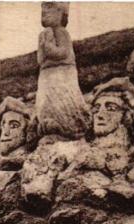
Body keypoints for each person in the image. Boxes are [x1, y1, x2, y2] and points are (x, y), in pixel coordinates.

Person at [35, 2, 90, 140]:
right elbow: (40, 59)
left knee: (63, 100)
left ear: (61, 14)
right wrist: (44, 48)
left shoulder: (61, 32)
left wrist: (49, 48)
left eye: (50, 9)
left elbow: (63, 53)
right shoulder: (43, 34)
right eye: (43, 9)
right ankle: (49, 125)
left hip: (62, 73)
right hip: (46, 75)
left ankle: (68, 127)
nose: (44, 12)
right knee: (46, 102)